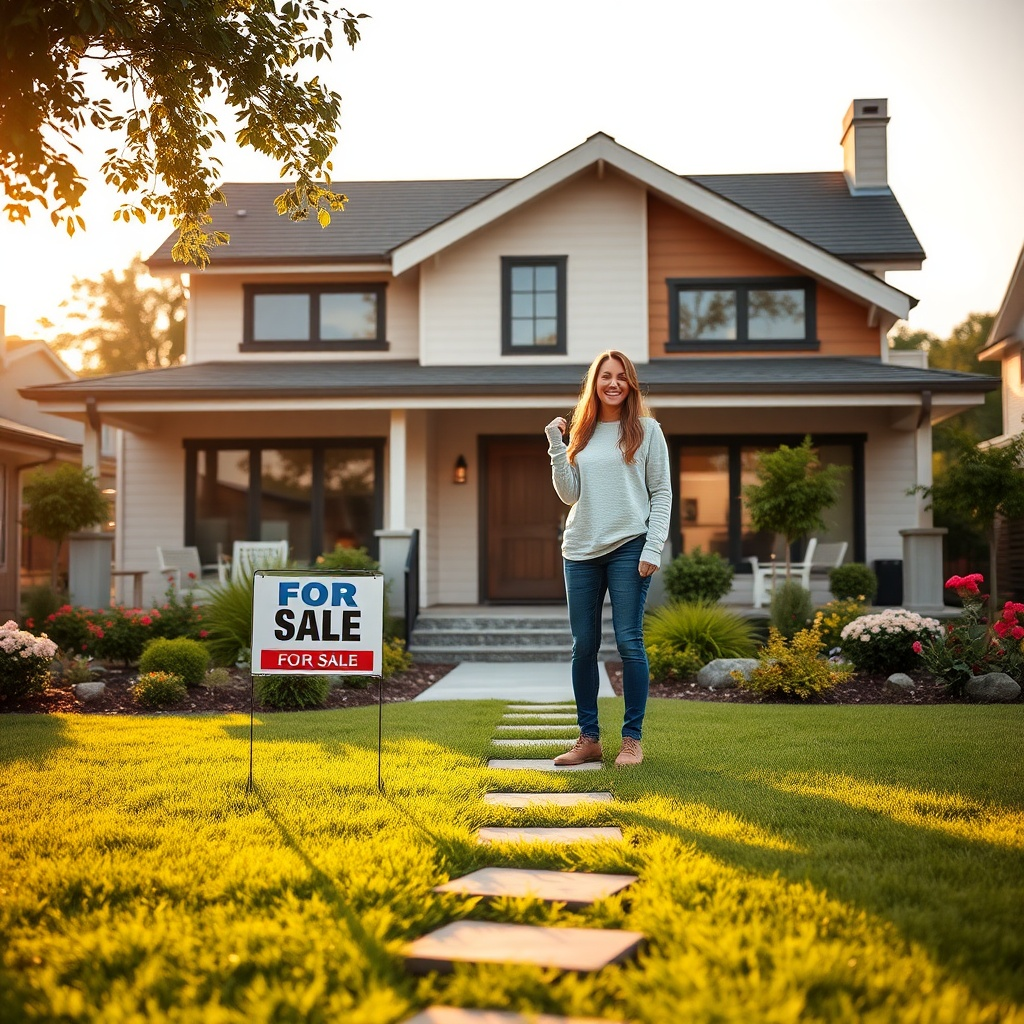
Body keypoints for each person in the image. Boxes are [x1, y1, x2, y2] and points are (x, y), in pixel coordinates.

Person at [544, 350, 672, 767]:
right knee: (584, 646)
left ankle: (631, 740)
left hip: (629, 545)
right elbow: (569, 494)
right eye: (605, 377)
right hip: (580, 549)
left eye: (620, 377)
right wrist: (556, 446)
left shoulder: (648, 430)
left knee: (630, 642)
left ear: (630, 383)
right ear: (594, 384)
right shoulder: (581, 432)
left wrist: (653, 546)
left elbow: (662, 492)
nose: (613, 383)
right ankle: (589, 739)